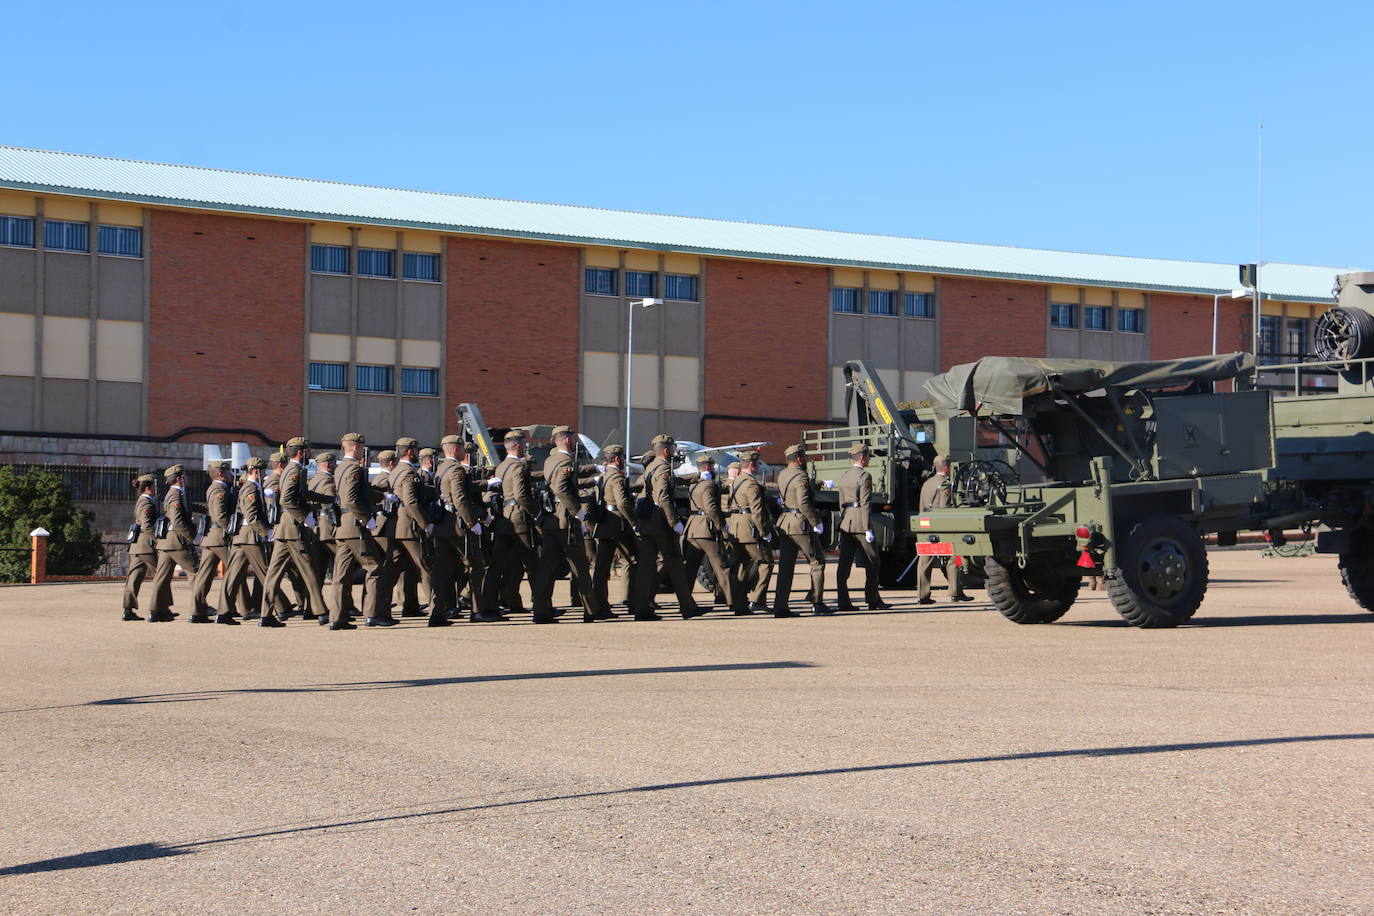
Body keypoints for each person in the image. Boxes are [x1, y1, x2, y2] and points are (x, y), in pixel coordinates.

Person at [533, 425, 608, 623]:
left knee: (547, 569)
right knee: (580, 568)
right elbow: (562, 489)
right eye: (573, 439)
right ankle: (591, 610)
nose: (575, 442)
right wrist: (579, 512)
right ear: (566, 439)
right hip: (565, 520)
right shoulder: (566, 460)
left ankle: (541, 611)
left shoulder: (551, 460)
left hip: (551, 521)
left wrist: (593, 470)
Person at [631, 434, 702, 620]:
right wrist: (674, 522)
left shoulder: (650, 468)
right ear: (665, 450)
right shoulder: (663, 468)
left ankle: (641, 609)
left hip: (647, 523)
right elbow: (663, 497)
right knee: (676, 564)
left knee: (646, 567)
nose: (673, 452)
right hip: (661, 523)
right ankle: (688, 607)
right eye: (672, 448)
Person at [262, 437, 330, 624]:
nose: (310, 454)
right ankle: (321, 612)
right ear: (301, 452)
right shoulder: (294, 470)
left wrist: (329, 500)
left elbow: (303, 494)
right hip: (293, 528)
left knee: (273, 574)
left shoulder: (292, 469)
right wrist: (304, 517)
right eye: (308, 450)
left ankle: (265, 615)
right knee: (309, 570)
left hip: (285, 529)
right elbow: (287, 500)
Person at [382, 437, 448, 627]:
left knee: (391, 571)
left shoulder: (395, 471)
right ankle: (437, 613)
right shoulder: (409, 472)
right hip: (410, 527)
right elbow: (411, 501)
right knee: (428, 567)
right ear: (410, 452)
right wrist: (426, 524)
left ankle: (377, 611)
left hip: (398, 527)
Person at [435, 434, 500, 622]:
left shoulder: (441, 469)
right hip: (457, 525)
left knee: (443, 570)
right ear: (455, 449)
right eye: (462, 447)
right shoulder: (456, 470)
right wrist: (473, 523)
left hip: (442, 525)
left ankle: (438, 613)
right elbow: (460, 499)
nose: (464, 451)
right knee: (476, 566)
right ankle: (477, 611)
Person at [481, 430, 540, 619]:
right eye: (523, 444)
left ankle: (489, 606)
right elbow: (522, 496)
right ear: (517, 445)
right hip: (519, 520)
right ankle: (542, 606)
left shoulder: (501, 467)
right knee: (533, 565)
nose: (525, 447)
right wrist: (537, 513)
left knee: (497, 566)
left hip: (503, 520)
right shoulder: (518, 467)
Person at [332, 433, 385, 629]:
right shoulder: (354, 468)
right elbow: (353, 499)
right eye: (361, 447)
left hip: (343, 526)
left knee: (341, 574)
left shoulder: (340, 468)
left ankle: (337, 617)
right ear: (355, 448)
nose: (363, 450)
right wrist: (368, 519)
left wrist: (380, 495)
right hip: (355, 525)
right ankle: (372, 614)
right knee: (374, 567)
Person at [773, 444, 829, 617]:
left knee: (785, 567)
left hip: (785, 522)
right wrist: (816, 521)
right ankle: (817, 602)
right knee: (817, 562)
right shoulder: (800, 476)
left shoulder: (782, 474)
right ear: (799, 459)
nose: (805, 460)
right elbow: (804, 503)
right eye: (803, 457)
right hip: (800, 523)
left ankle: (780, 606)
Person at [835, 443, 892, 611]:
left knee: (844, 564)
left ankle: (843, 601)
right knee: (873, 561)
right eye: (867, 457)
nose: (868, 460)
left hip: (847, 522)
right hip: (860, 522)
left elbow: (841, 502)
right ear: (862, 458)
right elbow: (866, 503)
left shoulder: (845, 476)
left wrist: (846, 519)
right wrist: (867, 528)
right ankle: (872, 599)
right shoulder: (865, 476)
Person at [225, 456, 281, 625]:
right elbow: (252, 517)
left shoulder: (252, 487)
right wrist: (267, 532)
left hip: (244, 536)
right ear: (256, 471)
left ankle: (223, 612)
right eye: (263, 471)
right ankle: (279, 609)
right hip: (250, 536)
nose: (265, 474)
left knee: (233, 576)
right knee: (267, 572)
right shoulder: (250, 489)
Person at [189, 459, 243, 624]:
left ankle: (197, 612)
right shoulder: (219, 489)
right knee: (235, 572)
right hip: (219, 537)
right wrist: (232, 531)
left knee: (204, 577)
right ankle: (241, 608)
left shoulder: (218, 488)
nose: (230, 474)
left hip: (211, 537)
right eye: (227, 472)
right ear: (220, 474)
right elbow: (220, 515)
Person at [682, 454, 735, 612]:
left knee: (690, 569)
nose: (713, 469)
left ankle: (685, 602)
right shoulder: (708, 485)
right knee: (721, 566)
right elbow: (711, 508)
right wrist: (722, 526)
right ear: (707, 467)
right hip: (706, 529)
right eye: (712, 467)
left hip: (693, 529)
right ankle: (733, 602)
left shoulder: (694, 485)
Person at [917, 456, 973, 604]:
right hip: (942, 529)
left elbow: (921, 508)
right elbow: (944, 510)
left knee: (925, 561)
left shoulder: (926, 484)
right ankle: (955, 592)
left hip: (926, 527)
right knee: (956, 558)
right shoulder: (945, 484)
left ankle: (923, 595)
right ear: (947, 468)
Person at [149, 464, 200, 622]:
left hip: (167, 543)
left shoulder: (178, 494)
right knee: (195, 572)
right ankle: (199, 608)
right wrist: (191, 536)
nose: (186, 479)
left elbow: (191, 507)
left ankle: (156, 610)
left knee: (162, 577)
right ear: (179, 479)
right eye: (184, 476)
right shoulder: (175, 495)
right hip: (176, 540)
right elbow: (177, 521)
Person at [724, 449, 773, 614]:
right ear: (752, 464)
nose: (758, 466)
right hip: (749, 528)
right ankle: (758, 599)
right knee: (766, 562)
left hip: (736, 527)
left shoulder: (736, 481)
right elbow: (757, 511)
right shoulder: (751, 484)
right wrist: (765, 531)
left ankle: (739, 604)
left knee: (742, 566)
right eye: (757, 463)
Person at [590, 444, 636, 614]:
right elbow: (622, 502)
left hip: (604, 524)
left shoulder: (604, 476)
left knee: (602, 567)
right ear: (617, 459)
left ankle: (599, 605)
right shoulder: (616, 477)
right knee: (630, 560)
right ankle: (630, 599)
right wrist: (633, 522)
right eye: (623, 458)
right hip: (617, 523)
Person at [308, 451, 349, 627]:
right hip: (328, 529)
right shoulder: (327, 481)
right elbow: (331, 503)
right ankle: (344, 607)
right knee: (341, 569)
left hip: (317, 530)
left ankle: (311, 608)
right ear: (327, 464)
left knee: (318, 572)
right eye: (332, 463)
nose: (334, 466)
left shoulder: (314, 479)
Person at [121, 474, 158, 621]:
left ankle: (128, 610)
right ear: (148, 488)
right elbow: (147, 526)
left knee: (134, 578)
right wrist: (158, 540)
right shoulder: (146, 503)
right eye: (154, 486)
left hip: (137, 546)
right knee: (161, 576)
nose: (156, 489)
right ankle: (159, 608)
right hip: (146, 546)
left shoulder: (142, 501)